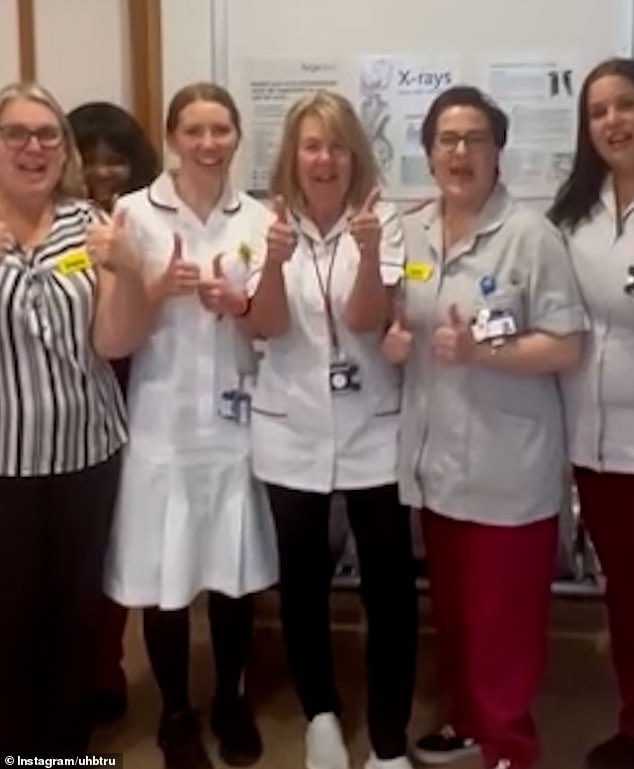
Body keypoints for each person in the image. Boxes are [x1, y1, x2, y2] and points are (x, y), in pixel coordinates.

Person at [385, 85, 586, 769]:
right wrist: (390, 334)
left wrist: (483, 351)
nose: (460, 152)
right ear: (429, 151)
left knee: (504, 629)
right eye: (447, 139)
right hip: (436, 464)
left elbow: (565, 345)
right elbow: (393, 314)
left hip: (509, 469)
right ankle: (471, 727)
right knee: (462, 619)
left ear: (499, 152)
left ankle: (509, 748)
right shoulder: (408, 229)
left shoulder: (531, 237)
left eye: (475, 139)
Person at [103, 82, 278, 769]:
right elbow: (114, 336)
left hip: (236, 419)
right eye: (194, 130)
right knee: (167, 574)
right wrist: (150, 289)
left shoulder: (259, 219)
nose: (208, 143)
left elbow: (273, 324)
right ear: (173, 138)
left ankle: (231, 698)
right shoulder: (132, 215)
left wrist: (238, 303)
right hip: (162, 424)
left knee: (234, 573)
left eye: (221, 130)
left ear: (237, 136)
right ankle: (176, 711)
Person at [246, 90, 418, 769]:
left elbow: (365, 321)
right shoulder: (260, 225)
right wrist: (275, 261)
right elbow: (266, 325)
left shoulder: (385, 223)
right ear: (293, 155)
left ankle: (387, 737)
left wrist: (370, 253)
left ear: (355, 156)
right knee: (303, 577)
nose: (324, 159)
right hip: (290, 427)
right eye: (312, 145)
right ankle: (319, 712)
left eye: (337, 146)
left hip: (374, 427)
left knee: (389, 584)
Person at [0, 81, 149, 753]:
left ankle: (59, 745)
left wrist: (123, 270)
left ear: (64, 150)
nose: (33, 147)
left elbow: (114, 342)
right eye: (15, 134)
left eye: (47, 135)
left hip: (86, 450)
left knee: (73, 611)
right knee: (10, 614)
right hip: (4, 457)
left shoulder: (88, 222)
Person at [549, 57, 634, 769]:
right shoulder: (575, 209)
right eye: (599, 111)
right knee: (624, 596)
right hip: (595, 444)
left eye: (626, 105)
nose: (613, 121)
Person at [67, 100, 160, 724]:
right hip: (48, 415)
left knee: (113, 544)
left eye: (116, 158)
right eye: (90, 157)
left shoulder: (147, 224)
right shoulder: (50, 222)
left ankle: (103, 668)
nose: (104, 171)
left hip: (130, 397)